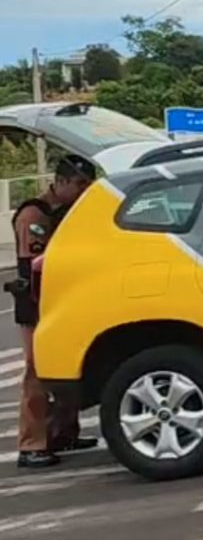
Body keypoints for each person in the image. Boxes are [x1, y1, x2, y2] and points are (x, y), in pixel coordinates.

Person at [11, 155, 98, 468]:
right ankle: (31, 443)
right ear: (60, 182)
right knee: (37, 372)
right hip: (35, 303)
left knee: (67, 367)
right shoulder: (35, 215)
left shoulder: (70, 213)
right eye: (79, 185)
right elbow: (33, 264)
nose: (84, 191)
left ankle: (64, 433)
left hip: (64, 300)